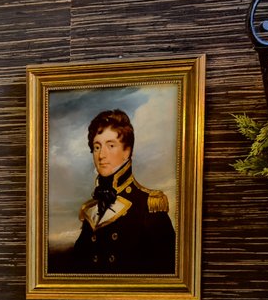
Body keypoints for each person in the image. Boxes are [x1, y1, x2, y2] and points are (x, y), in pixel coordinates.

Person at [52, 108, 176, 275]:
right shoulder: (91, 210)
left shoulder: (149, 206)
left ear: (128, 151)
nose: (102, 155)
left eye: (111, 145)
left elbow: (167, 274)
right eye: (97, 147)